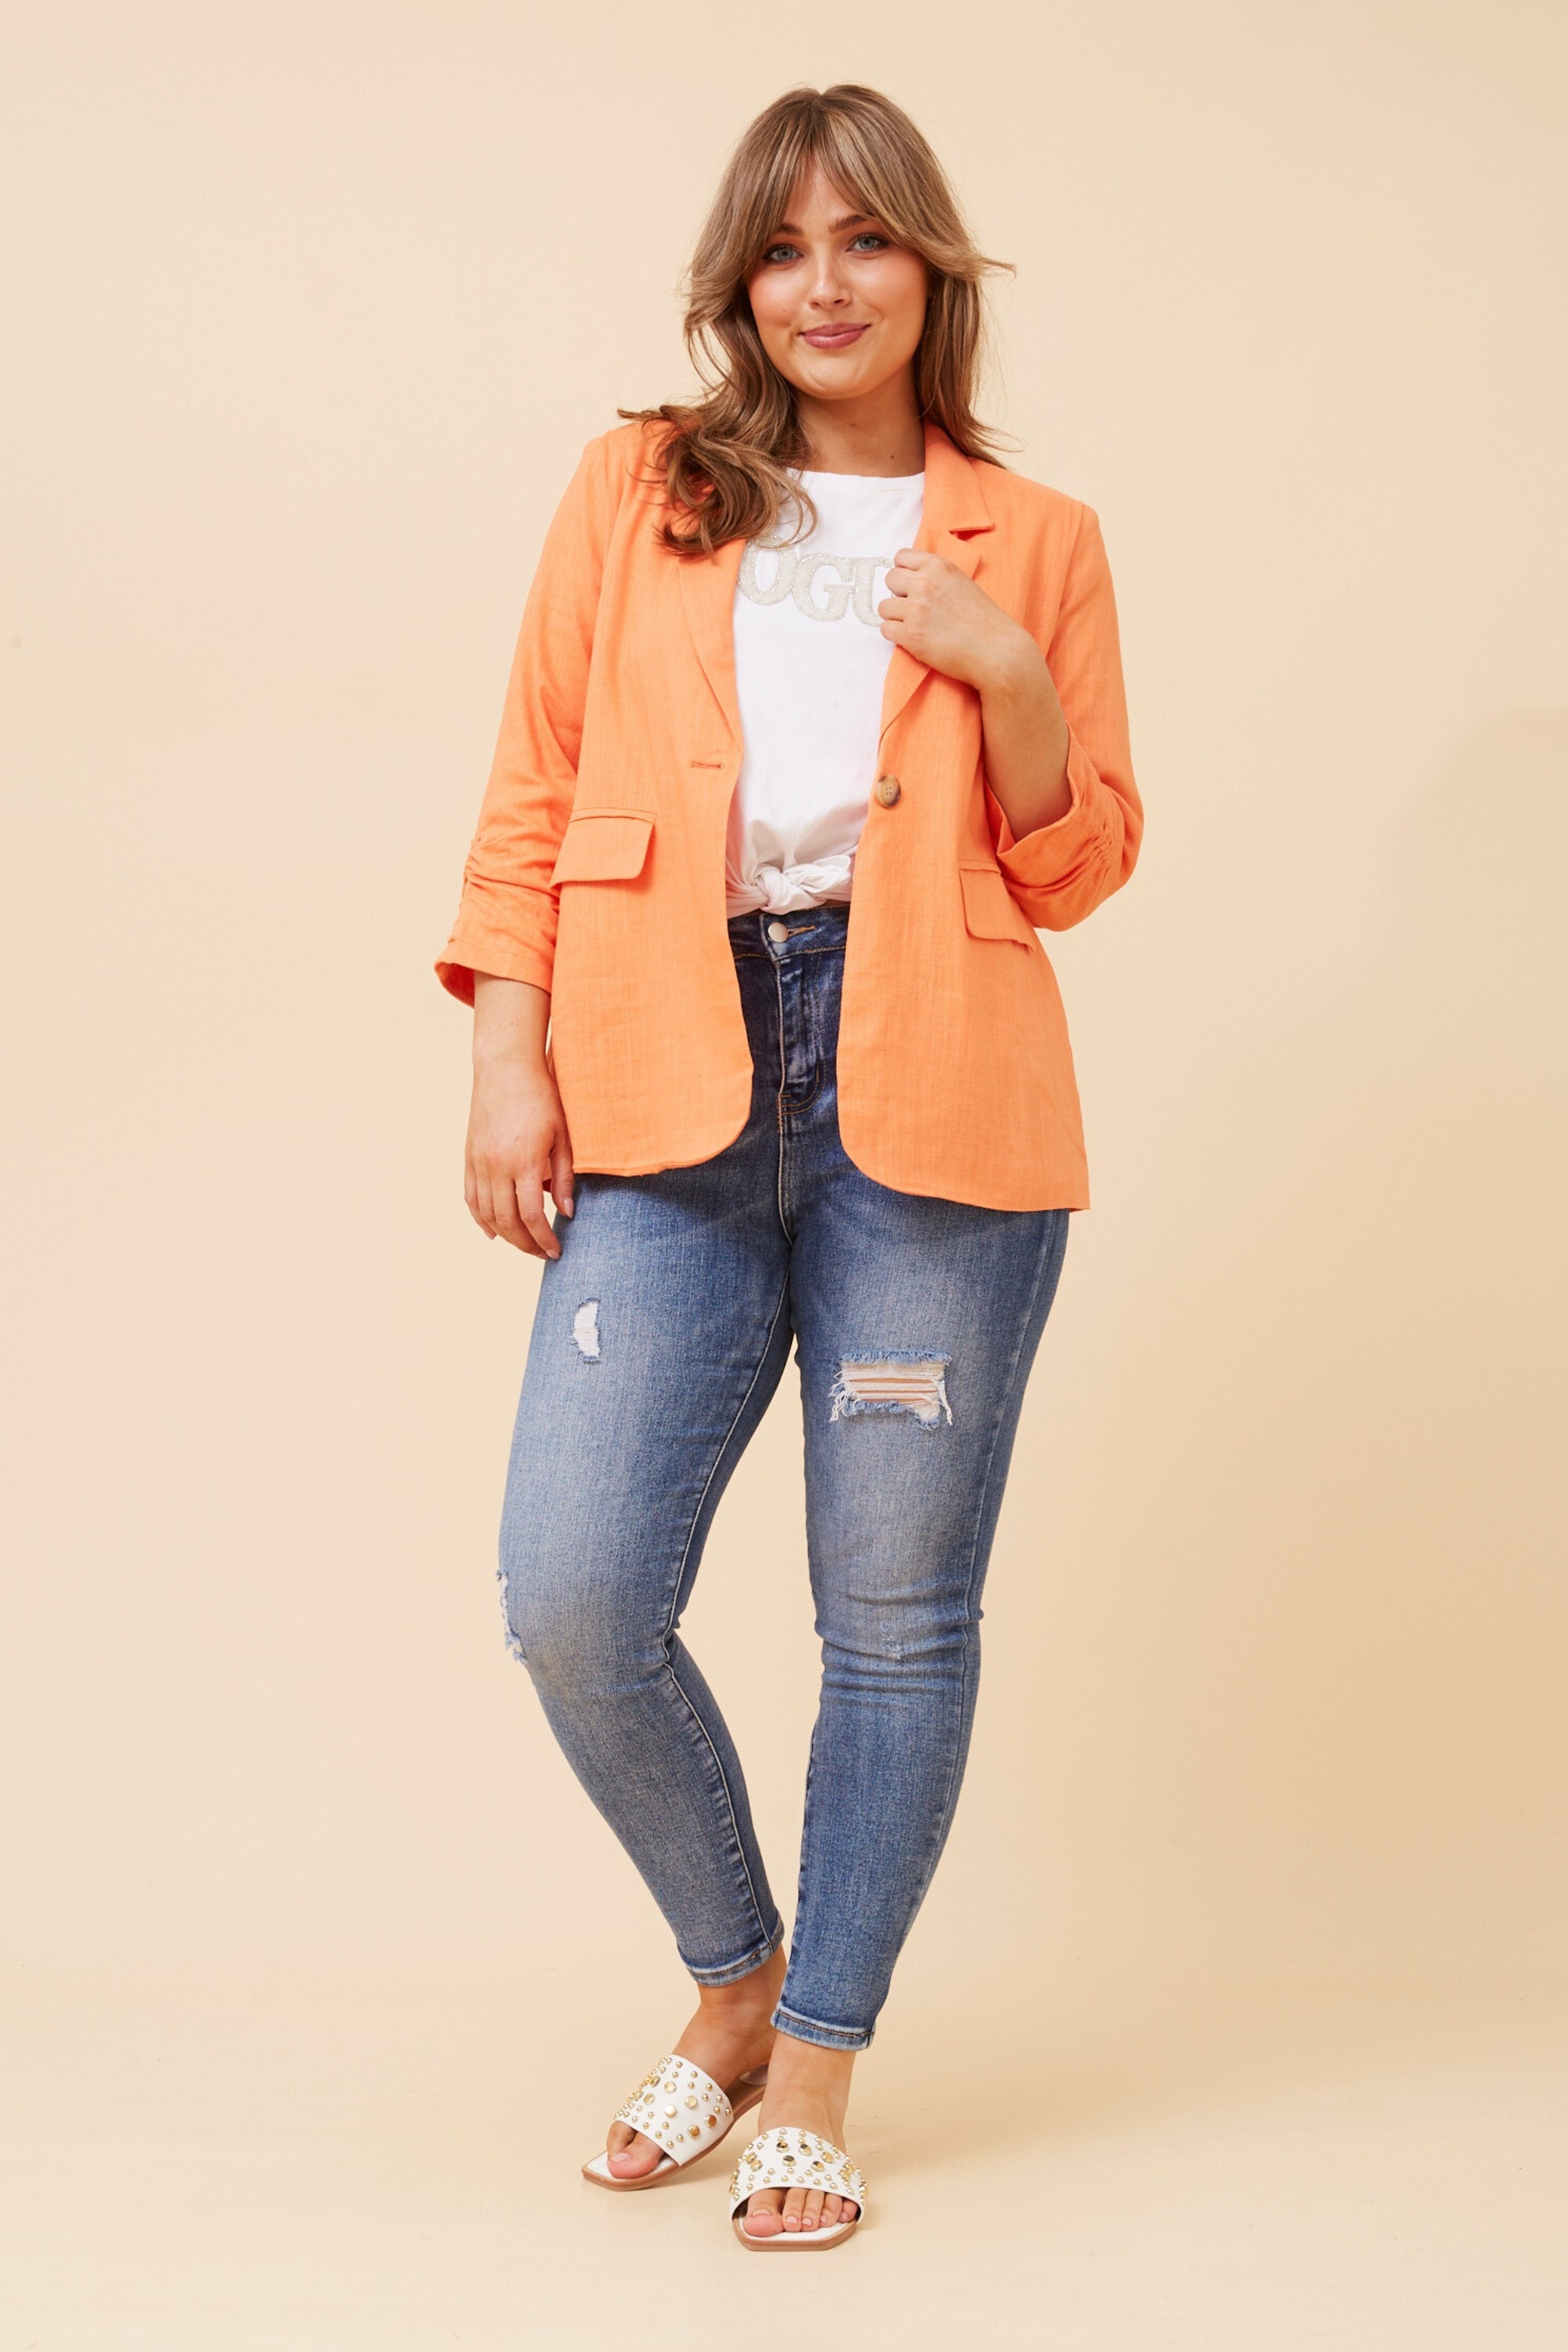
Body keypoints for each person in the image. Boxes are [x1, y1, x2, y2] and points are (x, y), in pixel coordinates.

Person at [436, 82, 1140, 2252]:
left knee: (895, 1615)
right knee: (573, 1592)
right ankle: (734, 1979)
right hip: (668, 1062)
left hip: (937, 1096)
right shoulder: (641, 489)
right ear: (739, 284)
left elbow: (1079, 861)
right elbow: (538, 782)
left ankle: (816, 2060)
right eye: (781, 248)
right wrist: (509, 1055)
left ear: (932, 269)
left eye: (865, 242)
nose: (823, 285)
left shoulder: (1038, 540)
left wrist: (1004, 671)